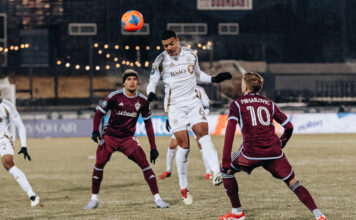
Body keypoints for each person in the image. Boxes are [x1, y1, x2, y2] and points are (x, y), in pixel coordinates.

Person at [219, 72, 326, 220]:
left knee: (225, 170)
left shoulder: (237, 104)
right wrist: (281, 143)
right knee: (293, 182)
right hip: (274, 152)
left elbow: (230, 131)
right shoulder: (269, 103)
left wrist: (225, 160)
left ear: (244, 87)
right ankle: (318, 214)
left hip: (251, 153)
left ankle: (237, 213)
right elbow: (288, 127)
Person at [146, 30, 232, 205]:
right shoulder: (160, 61)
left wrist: (214, 79)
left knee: (203, 134)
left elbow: (198, 75)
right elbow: (152, 81)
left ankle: (217, 172)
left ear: (177, 41)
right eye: (165, 45)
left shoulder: (191, 54)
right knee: (184, 145)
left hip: (193, 103)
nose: (168, 48)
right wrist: (150, 94)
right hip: (175, 107)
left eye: (171, 44)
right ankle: (184, 188)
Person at [84, 69, 169, 209]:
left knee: (145, 164)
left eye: (134, 79)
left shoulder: (142, 101)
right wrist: (95, 131)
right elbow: (99, 114)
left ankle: (158, 199)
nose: (132, 82)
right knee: (99, 164)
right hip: (110, 137)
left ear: (137, 82)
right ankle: (94, 199)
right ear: (124, 83)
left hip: (128, 139)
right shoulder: (114, 96)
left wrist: (153, 147)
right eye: (128, 79)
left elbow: (148, 124)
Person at [159, 86, 212, 180]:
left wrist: (200, 117)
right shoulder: (178, 87)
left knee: (201, 145)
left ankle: (208, 172)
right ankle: (168, 170)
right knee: (172, 145)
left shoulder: (199, 89)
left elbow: (207, 106)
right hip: (182, 120)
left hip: (196, 120)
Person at [0, 96, 40, 206]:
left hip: (4, 139)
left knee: (8, 162)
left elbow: (20, 126)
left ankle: (31, 195)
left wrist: (24, 146)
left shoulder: (7, 105)